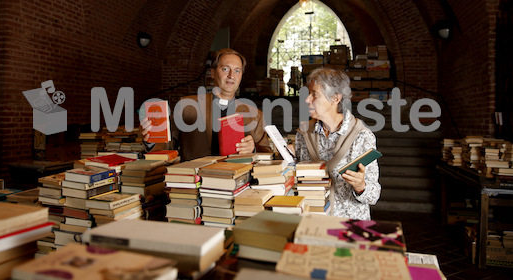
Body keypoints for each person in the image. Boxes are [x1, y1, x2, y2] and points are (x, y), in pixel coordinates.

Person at [141, 48, 272, 161]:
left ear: (241, 76)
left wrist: (253, 149)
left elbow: (268, 155)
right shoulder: (187, 106)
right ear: (213, 73)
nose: (231, 75)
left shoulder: (256, 115)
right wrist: (151, 141)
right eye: (225, 69)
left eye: (237, 71)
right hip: (194, 183)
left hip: (237, 184)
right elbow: (168, 147)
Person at [294, 67, 380, 220]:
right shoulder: (303, 134)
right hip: (313, 222)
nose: (307, 100)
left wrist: (361, 187)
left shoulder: (362, 136)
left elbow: (373, 195)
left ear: (335, 98)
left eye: (314, 94)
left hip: (349, 225)